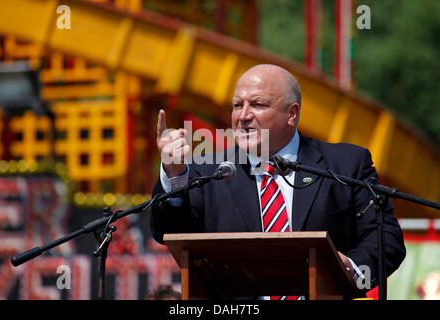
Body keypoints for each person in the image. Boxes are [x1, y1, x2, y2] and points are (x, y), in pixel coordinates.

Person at [150, 64, 406, 297]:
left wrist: (348, 269)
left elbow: (387, 241)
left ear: (291, 114)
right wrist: (174, 175)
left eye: (258, 105)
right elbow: (166, 233)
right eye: (237, 105)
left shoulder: (345, 164)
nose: (244, 115)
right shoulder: (205, 171)